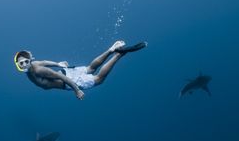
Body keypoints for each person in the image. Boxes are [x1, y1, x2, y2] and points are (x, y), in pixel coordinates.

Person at [14, 40, 147, 100]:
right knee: (90, 68)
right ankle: (110, 50)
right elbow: (45, 62)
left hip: (69, 80)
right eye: (22, 63)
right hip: (67, 72)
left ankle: (118, 54)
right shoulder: (35, 64)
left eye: (26, 61)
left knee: (98, 79)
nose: (25, 64)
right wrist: (59, 64)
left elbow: (59, 77)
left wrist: (77, 90)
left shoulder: (37, 71)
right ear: (17, 64)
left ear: (30, 60)